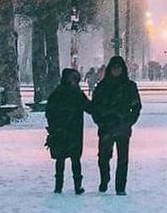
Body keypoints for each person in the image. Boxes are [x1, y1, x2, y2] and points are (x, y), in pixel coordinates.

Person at [91, 55, 142, 195]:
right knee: (103, 157)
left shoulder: (129, 86)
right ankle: (105, 178)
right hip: (106, 126)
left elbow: (136, 106)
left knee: (123, 158)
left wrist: (129, 122)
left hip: (122, 127)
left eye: (118, 68)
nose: (116, 71)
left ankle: (120, 186)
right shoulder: (102, 87)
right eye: (114, 68)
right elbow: (95, 107)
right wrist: (100, 121)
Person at [45, 68, 92, 194]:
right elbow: (89, 107)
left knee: (62, 159)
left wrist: (53, 126)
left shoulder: (58, 92)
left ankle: (59, 186)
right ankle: (76, 186)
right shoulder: (76, 93)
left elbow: (49, 111)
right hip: (72, 130)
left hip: (61, 130)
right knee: (74, 159)